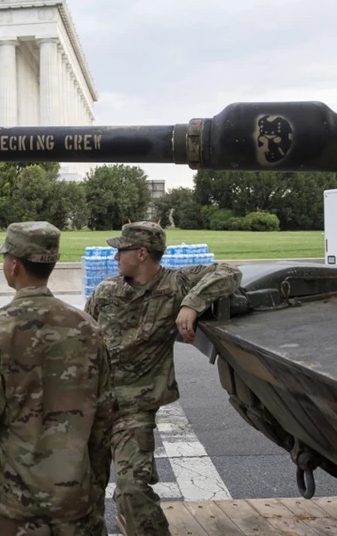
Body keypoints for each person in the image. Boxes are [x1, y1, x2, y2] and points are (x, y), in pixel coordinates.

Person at [0, 221, 116, 536]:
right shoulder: (88, 328)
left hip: (11, 506)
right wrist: (94, 491)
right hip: (74, 500)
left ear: (14, 265)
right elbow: (104, 420)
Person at [84, 222, 242, 536]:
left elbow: (230, 272)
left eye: (122, 250)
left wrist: (192, 303)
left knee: (132, 489)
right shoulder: (106, 291)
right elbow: (82, 339)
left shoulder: (176, 284)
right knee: (83, 492)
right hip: (93, 405)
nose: (115, 257)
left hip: (134, 408)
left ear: (142, 253)